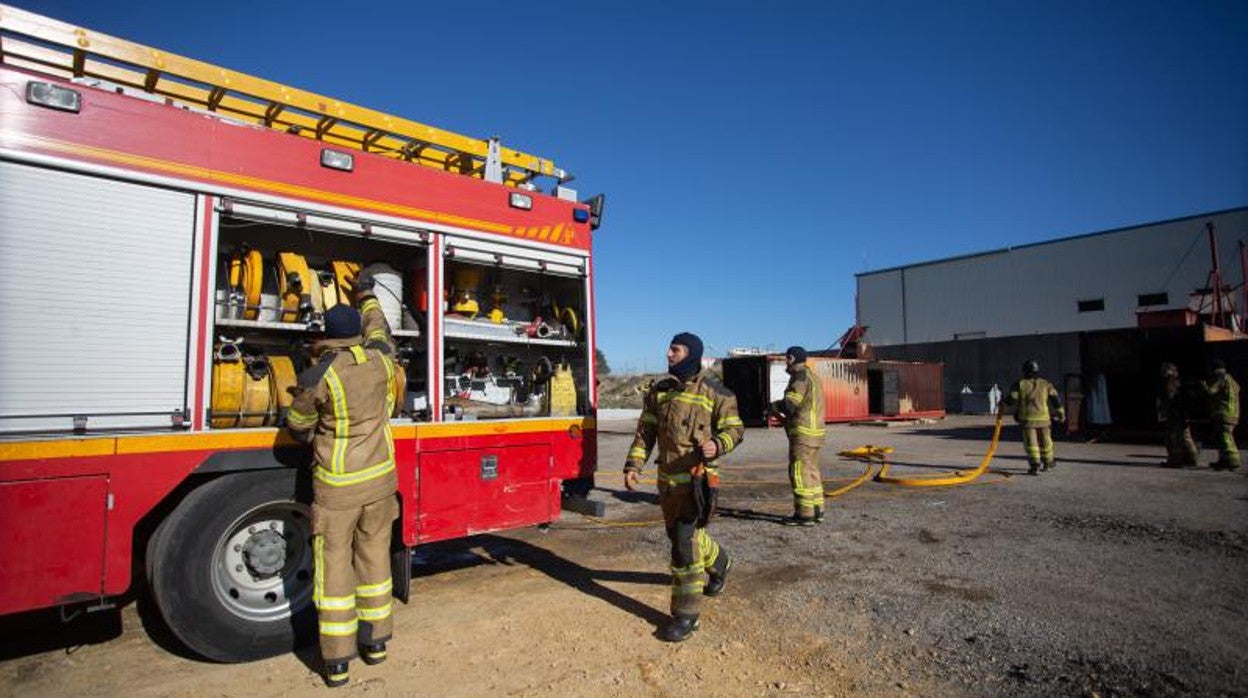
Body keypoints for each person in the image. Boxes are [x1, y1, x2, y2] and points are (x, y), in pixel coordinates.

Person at [286, 273, 400, 687]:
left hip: (339, 488)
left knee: (334, 567)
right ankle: (377, 643)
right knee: (374, 561)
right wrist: (367, 293)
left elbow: (298, 424)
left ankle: (336, 662)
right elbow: (379, 327)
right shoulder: (383, 360)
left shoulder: (320, 375)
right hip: (381, 484)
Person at [624, 332, 744, 642]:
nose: (668, 354)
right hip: (666, 486)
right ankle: (721, 563)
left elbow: (735, 429)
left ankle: (686, 617)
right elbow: (645, 432)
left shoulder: (716, 391)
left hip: (697, 484)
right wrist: (634, 466)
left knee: (683, 548)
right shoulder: (659, 390)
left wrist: (718, 445)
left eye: (674, 349)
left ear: (690, 354)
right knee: (685, 537)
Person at [769, 346, 827, 526]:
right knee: (812, 472)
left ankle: (804, 514)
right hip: (816, 433)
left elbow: (790, 405)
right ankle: (817, 511)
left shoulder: (800, 376)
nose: (785, 362)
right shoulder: (813, 377)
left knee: (799, 472)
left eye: (787, 358)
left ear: (792, 358)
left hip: (803, 434)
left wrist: (773, 406)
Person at [999, 359, 1064, 475]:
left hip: (1028, 420)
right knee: (1046, 442)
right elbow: (1055, 399)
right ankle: (1048, 463)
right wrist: (1060, 412)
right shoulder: (1046, 384)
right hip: (1044, 420)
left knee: (1031, 444)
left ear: (1024, 371)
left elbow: (1012, 400)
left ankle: (1035, 466)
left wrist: (1003, 401)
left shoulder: (1019, 384)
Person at [1157, 362, 1198, 467]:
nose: (1163, 372)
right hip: (1178, 414)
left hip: (1177, 414)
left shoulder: (1173, 381)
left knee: (1175, 438)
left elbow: (1172, 398)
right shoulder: (1175, 381)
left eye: (1165, 370)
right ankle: (1189, 459)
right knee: (1181, 437)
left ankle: (1178, 460)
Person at [1202, 359, 1240, 470]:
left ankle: (1233, 461)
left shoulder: (1220, 378)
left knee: (1225, 438)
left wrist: (1204, 385)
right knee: (1223, 438)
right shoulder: (1232, 380)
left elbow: (1210, 391)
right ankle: (1224, 461)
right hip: (1234, 414)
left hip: (1223, 413)